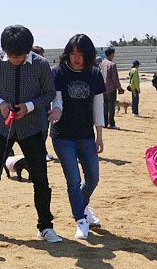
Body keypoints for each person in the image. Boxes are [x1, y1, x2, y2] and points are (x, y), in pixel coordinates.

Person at [0, 25, 61, 243]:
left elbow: (49, 93)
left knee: (40, 178)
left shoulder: (41, 65)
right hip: (1, 127)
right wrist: (1, 103)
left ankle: (45, 226)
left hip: (32, 128)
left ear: (28, 50)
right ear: (4, 49)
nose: (15, 59)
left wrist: (29, 106)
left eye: (20, 55)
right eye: (11, 54)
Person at [50, 34, 105, 240]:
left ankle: (82, 205)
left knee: (93, 178)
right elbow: (57, 101)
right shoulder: (58, 72)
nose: (76, 57)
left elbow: (98, 107)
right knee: (73, 180)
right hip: (63, 135)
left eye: (80, 53)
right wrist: (57, 111)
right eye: (72, 53)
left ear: (88, 55)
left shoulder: (95, 74)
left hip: (86, 135)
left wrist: (99, 135)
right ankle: (81, 220)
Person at [30, 45, 54, 161]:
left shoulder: (42, 68)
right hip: (38, 104)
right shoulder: (35, 69)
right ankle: (40, 152)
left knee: (43, 129)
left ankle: (41, 151)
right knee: (41, 129)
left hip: (42, 104)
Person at [99, 47, 124, 130]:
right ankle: (111, 123)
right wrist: (120, 88)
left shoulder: (101, 63)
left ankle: (104, 123)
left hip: (102, 88)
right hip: (111, 89)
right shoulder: (112, 65)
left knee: (104, 106)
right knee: (111, 107)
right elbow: (115, 79)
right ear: (112, 54)